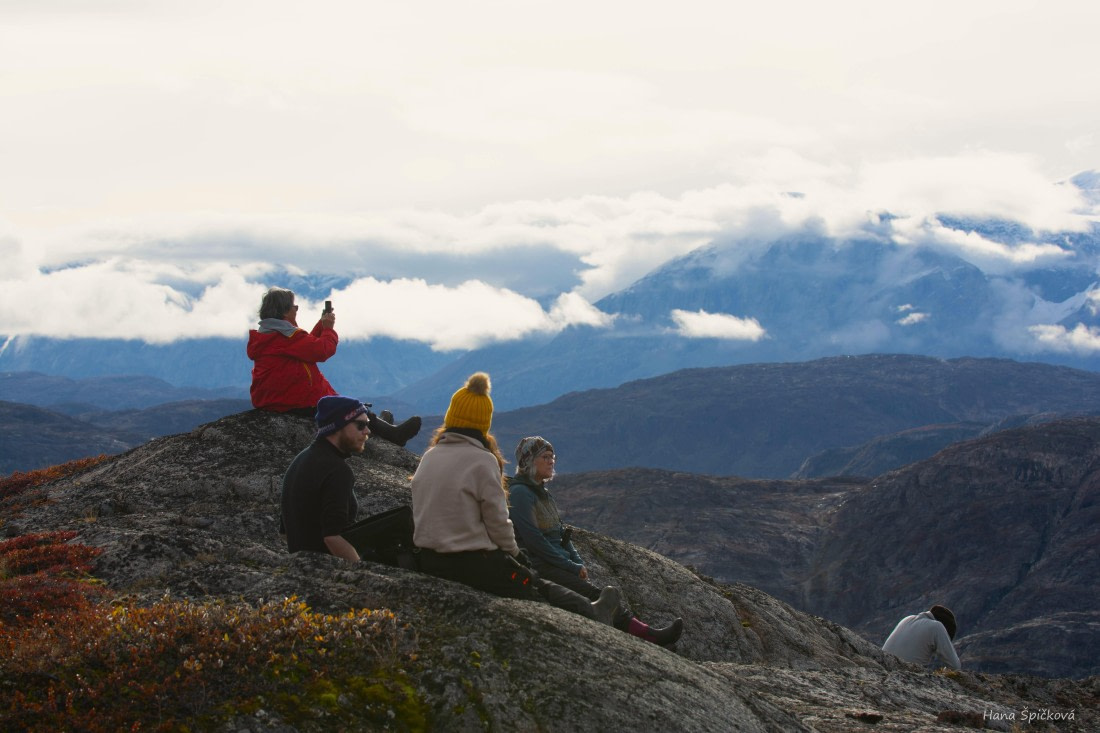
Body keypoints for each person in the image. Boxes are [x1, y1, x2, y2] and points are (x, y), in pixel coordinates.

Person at [411, 372, 623, 626]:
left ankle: (591, 609)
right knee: (533, 584)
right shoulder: (482, 460)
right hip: (471, 564)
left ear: (451, 416)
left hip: (429, 559)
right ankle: (592, 612)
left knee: (531, 580)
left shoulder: (430, 456)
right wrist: (515, 554)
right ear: (484, 422)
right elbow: (498, 521)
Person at [508, 436, 684, 646]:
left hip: (557, 563)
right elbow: (534, 540)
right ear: (528, 462)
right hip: (540, 564)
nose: (551, 461)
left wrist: (577, 561)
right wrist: (570, 566)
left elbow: (562, 534)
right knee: (596, 596)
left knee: (599, 596)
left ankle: (647, 635)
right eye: (545, 457)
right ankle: (648, 635)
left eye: (552, 457)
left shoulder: (544, 494)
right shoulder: (519, 493)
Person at [247, 286, 421, 446]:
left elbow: (304, 348)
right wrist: (329, 329)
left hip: (274, 397)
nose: (296, 310)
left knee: (342, 406)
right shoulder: (284, 337)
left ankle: (380, 426)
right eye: (295, 307)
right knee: (348, 407)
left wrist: (322, 325)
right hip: (290, 399)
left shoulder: (270, 335)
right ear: (284, 311)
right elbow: (321, 350)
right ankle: (391, 433)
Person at [280, 395, 373, 562]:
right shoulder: (337, 470)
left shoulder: (301, 460)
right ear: (337, 426)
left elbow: (285, 531)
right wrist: (361, 573)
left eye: (367, 425)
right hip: (327, 571)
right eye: (361, 425)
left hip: (302, 567)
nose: (367, 431)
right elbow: (333, 537)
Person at [882, 604, 961, 670]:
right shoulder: (937, 626)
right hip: (904, 675)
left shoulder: (907, 619)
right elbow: (955, 666)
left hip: (882, 667)